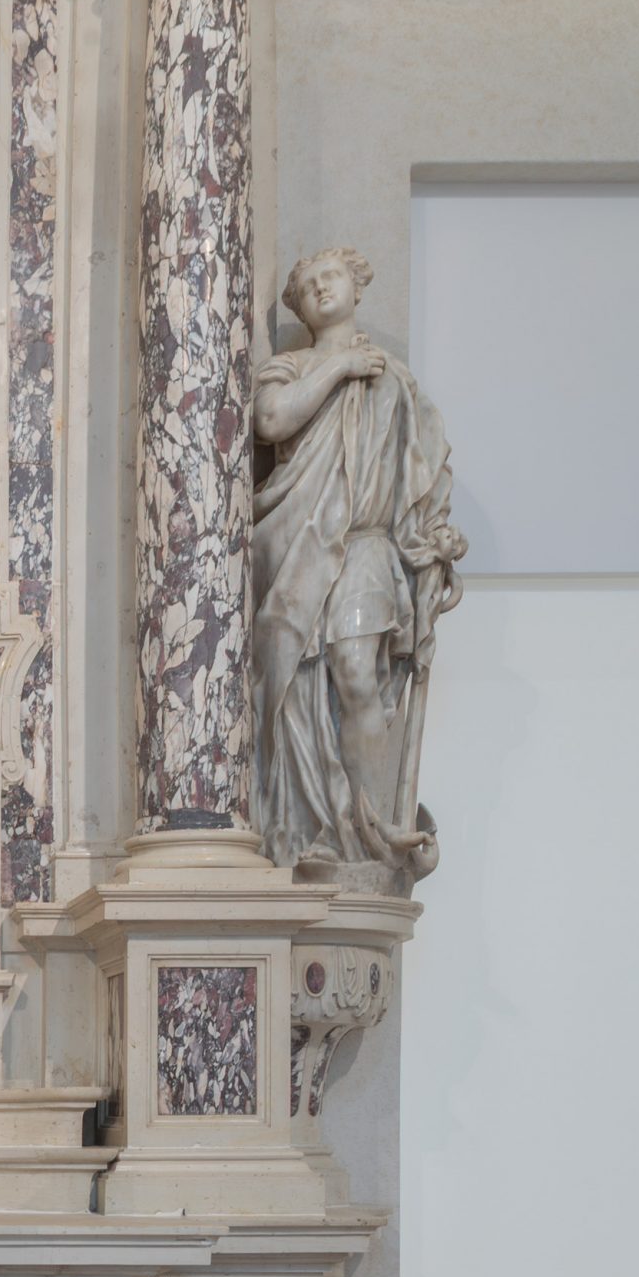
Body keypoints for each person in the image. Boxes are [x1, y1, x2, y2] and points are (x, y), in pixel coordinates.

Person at [250, 246, 465, 875]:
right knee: (295, 686)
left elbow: (419, 473)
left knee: (355, 672)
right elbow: (270, 420)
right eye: (309, 285)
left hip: (366, 543)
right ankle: (313, 826)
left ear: (356, 287)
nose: (322, 288)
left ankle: (366, 832)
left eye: (332, 277)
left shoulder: (393, 380)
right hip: (296, 544)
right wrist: (340, 366)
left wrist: (435, 541)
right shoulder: (290, 368)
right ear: (299, 306)